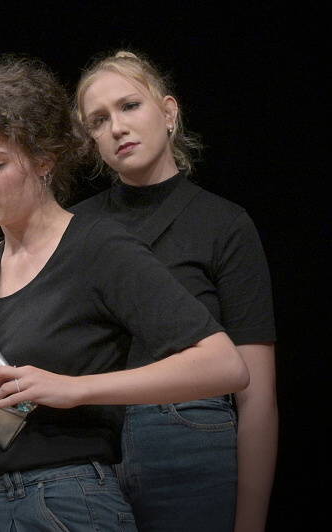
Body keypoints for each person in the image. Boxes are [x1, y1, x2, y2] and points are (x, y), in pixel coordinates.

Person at [0, 55, 249, 531]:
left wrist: (75, 389)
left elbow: (224, 364)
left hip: (63, 505)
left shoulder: (98, 247)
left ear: (44, 161)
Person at [71, 50, 278, 531]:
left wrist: (250, 522)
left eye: (130, 106)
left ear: (168, 112)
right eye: (99, 120)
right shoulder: (74, 228)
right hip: (88, 455)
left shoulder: (223, 224)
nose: (117, 127)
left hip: (188, 445)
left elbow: (257, 396)